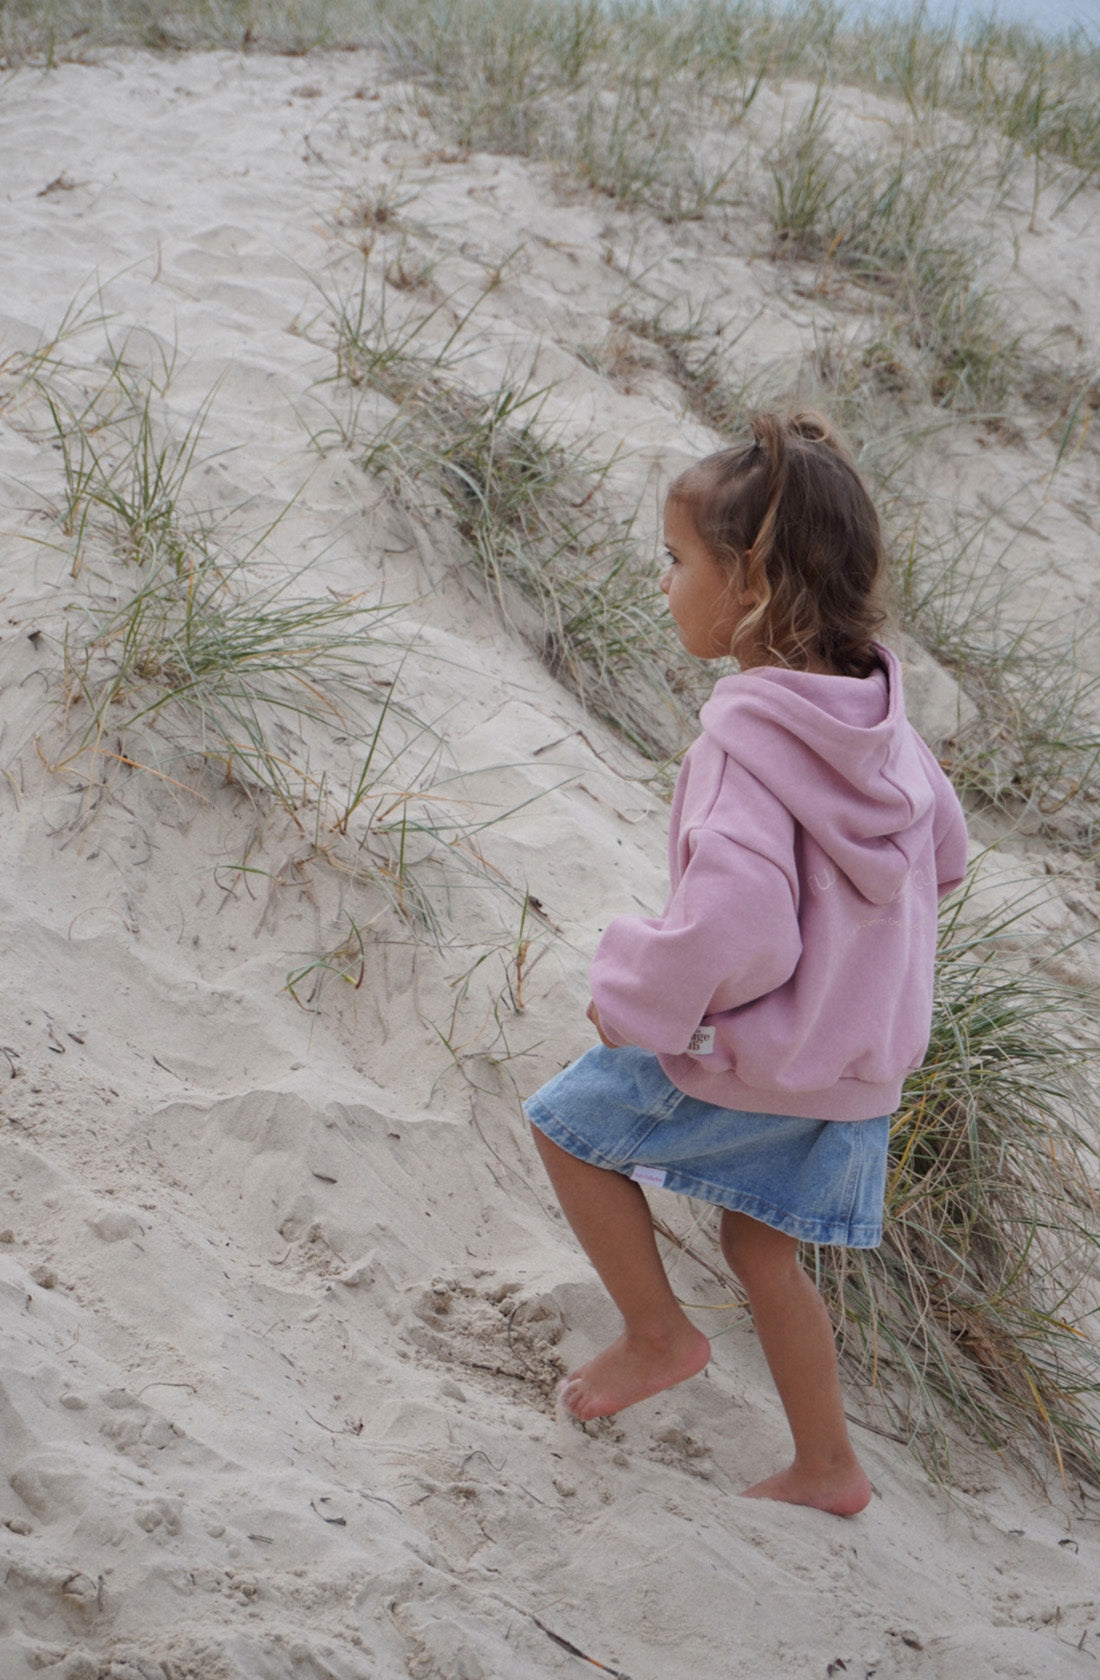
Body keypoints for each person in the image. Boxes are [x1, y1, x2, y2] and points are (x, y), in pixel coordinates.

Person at [524, 411, 968, 1517]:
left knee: (568, 1131)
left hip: (767, 1051)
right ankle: (829, 1469)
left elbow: (737, 931)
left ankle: (655, 1333)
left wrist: (635, 998)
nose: (663, 583)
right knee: (763, 1254)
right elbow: (945, 857)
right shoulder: (883, 721)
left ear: (752, 588)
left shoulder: (745, 743)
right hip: (858, 1064)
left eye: (677, 562)